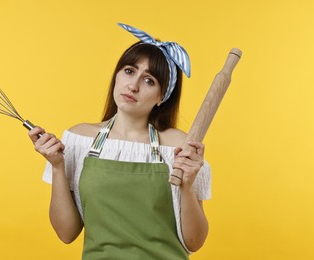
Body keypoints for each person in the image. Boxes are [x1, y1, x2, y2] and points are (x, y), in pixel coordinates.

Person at [28, 23, 211, 259]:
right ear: (116, 75)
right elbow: (66, 233)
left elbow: (195, 242)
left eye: (149, 81)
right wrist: (57, 166)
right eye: (129, 71)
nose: (133, 85)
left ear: (161, 96)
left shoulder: (180, 147)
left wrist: (187, 185)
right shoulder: (78, 140)